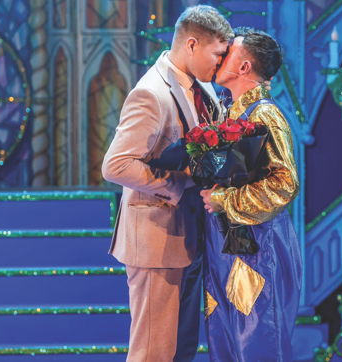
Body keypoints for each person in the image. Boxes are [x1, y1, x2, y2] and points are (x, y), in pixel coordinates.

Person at [102, 5, 233, 362]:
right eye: (218, 54)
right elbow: (115, 165)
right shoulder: (151, 93)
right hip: (155, 243)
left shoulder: (202, 88)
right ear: (192, 45)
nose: (221, 64)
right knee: (154, 353)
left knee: (180, 351)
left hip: (188, 241)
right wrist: (177, 183)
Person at [200, 27, 302, 362]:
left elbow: (284, 184)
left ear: (244, 67)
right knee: (224, 338)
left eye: (228, 52)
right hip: (228, 242)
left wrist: (224, 201)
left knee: (257, 340)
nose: (219, 58)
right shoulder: (229, 113)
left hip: (258, 247)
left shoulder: (264, 114)